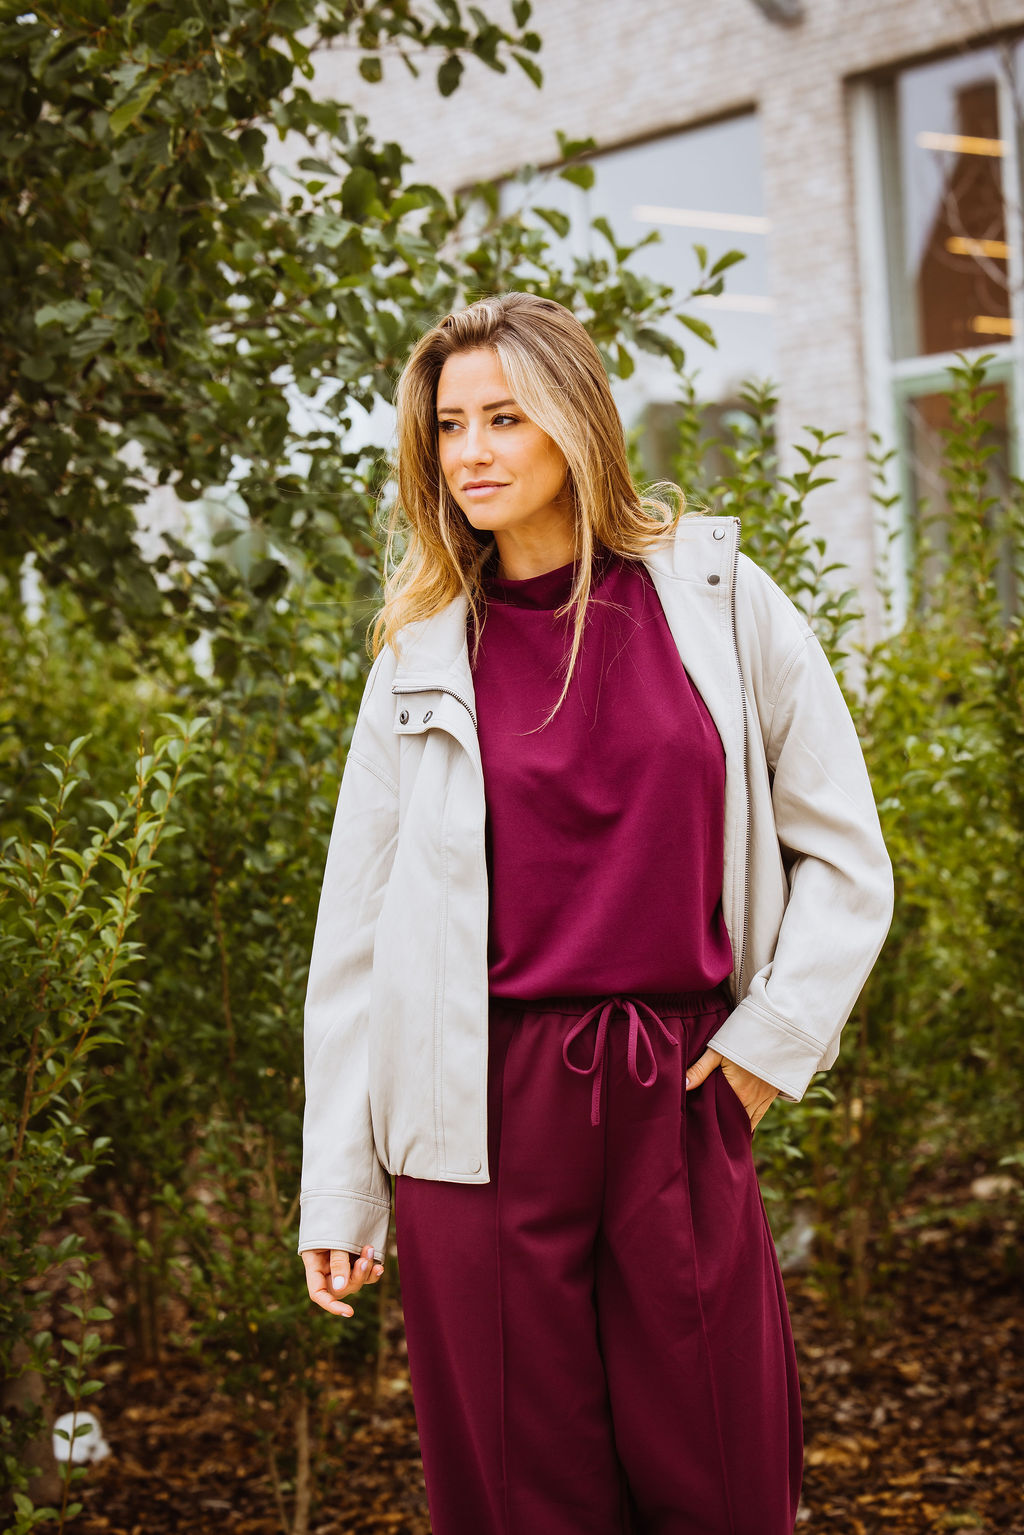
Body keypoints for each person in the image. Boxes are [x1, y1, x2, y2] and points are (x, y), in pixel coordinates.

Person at [297, 291, 894, 1535]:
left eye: (504, 418)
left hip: (678, 1086)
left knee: (720, 1472)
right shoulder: (420, 651)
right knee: (525, 1495)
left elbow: (843, 849)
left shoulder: (719, 602)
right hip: (474, 1109)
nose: (469, 451)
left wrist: (769, 1043)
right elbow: (355, 937)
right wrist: (340, 1188)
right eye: (448, 424)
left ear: (575, 423)